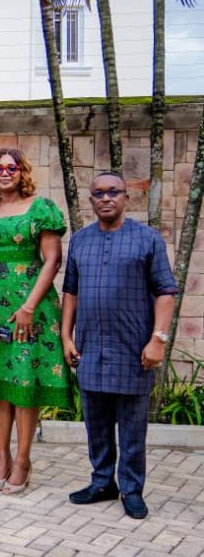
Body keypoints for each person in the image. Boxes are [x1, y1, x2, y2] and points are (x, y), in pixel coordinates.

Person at [62, 172, 177, 520]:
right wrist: (66, 336)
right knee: (96, 423)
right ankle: (102, 483)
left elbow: (165, 292)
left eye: (113, 192)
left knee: (131, 427)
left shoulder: (147, 239)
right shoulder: (80, 240)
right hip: (91, 350)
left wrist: (158, 340)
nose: (106, 198)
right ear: (91, 200)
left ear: (126, 197)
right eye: (99, 193)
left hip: (133, 350)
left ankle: (131, 489)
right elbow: (71, 292)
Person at [0, 149, 72, 495]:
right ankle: (2, 457)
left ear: (23, 172)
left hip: (31, 310)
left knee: (24, 385)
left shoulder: (41, 210)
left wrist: (28, 307)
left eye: (12, 167)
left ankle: (23, 460)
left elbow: (52, 260)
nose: (5, 172)